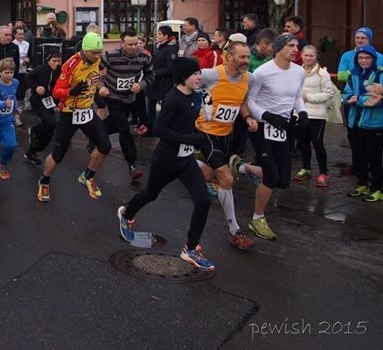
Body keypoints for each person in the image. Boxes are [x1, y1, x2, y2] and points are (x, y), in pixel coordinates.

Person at [117, 58, 215, 271]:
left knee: (203, 200)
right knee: (151, 193)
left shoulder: (195, 96)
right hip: (167, 159)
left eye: (199, 73)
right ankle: (126, 213)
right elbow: (160, 130)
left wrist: (202, 140)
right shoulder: (173, 99)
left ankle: (190, 248)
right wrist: (192, 139)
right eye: (194, 74)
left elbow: (190, 126)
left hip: (186, 160)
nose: (199, 77)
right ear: (182, 77)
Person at [235, 33, 307, 241]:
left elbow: (296, 97)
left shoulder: (299, 72)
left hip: (282, 127)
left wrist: (301, 113)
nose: (296, 49)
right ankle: (257, 218)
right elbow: (250, 100)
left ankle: (242, 167)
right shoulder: (262, 72)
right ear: (278, 48)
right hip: (262, 126)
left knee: (283, 180)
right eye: (291, 45)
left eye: (297, 46)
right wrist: (267, 116)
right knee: (271, 176)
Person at [194, 41, 257, 251]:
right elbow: (187, 82)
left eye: (248, 57)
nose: (246, 61)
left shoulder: (248, 78)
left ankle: (185, 163)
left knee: (211, 176)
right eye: (242, 57)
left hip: (226, 134)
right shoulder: (212, 74)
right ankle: (235, 231)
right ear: (229, 56)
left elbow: (241, 102)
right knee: (226, 177)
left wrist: (247, 118)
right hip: (205, 132)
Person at [37, 32, 108, 202]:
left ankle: (88, 175)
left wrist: (101, 87)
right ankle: (44, 181)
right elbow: (55, 92)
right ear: (85, 50)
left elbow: (96, 77)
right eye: (95, 53)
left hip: (87, 111)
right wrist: (72, 91)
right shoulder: (71, 65)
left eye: (100, 52)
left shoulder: (97, 59)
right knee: (59, 153)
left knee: (105, 146)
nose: (98, 56)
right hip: (70, 112)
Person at [99, 29, 154, 181]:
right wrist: (101, 86)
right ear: (122, 43)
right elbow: (94, 72)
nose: (134, 47)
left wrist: (141, 85)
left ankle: (96, 133)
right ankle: (132, 165)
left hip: (130, 97)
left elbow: (151, 76)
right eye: (130, 44)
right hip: (113, 95)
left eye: (136, 43)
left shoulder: (144, 57)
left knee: (114, 124)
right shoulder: (109, 56)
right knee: (124, 127)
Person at [342, 45, 383, 202]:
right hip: (356, 121)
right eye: (360, 58)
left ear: (373, 59)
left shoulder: (379, 74)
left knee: (375, 157)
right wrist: (348, 98)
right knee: (359, 155)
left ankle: (378, 188)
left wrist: (357, 99)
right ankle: (362, 183)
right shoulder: (354, 75)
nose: (363, 60)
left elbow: (377, 100)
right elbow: (345, 94)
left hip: (374, 123)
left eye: (367, 58)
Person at [295, 45, 335, 188]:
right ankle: (306, 168)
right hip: (300, 113)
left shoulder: (322, 74)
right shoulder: (296, 71)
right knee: (303, 143)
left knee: (317, 143)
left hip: (317, 114)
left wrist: (308, 97)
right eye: (306, 55)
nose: (308, 58)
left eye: (311, 55)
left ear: (316, 56)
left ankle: (324, 172)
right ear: (302, 55)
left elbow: (328, 93)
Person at [22, 52, 62, 165]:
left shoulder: (61, 72)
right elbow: (27, 78)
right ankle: (34, 130)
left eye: (59, 61)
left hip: (49, 102)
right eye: (54, 61)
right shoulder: (41, 69)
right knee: (52, 123)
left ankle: (32, 151)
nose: (56, 63)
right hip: (38, 101)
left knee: (50, 129)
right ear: (48, 61)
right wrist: (36, 87)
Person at [145, 25, 178, 132]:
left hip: (164, 84)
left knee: (165, 107)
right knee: (150, 106)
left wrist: (154, 73)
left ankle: (162, 127)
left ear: (166, 36)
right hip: (154, 83)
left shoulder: (171, 50)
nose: (157, 36)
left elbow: (171, 68)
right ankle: (151, 127)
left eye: (159, 34)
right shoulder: (160, 46)